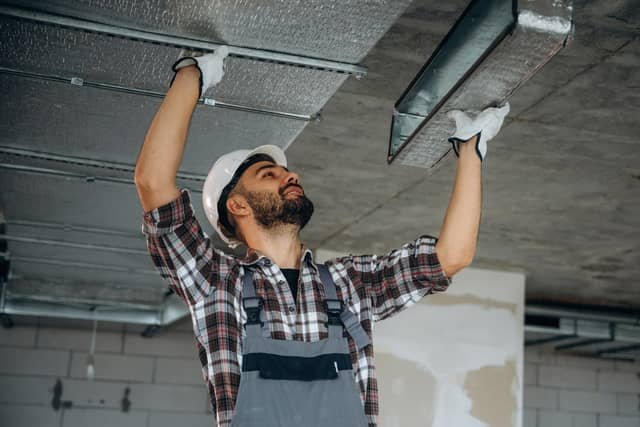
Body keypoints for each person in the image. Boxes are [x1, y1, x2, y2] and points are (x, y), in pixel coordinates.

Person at [134, 48, 510, 427]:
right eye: (269, 174)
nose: (291, 175)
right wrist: (191, 75)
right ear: (238, 206)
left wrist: (470, 149)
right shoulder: (216, 282)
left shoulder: (350, 283)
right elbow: (153, 184)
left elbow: (451, 257)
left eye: (287, 172)